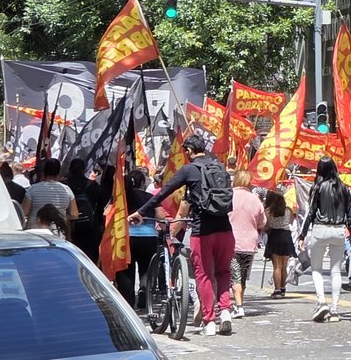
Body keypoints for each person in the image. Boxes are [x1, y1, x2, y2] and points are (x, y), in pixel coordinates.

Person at [129, 134, 236, 337]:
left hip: (202, 231)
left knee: (203, 275)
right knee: (223, 272)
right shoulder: (219, 166)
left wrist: (141, 212)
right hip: (226, 229)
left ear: (188, 151)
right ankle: (226, 313)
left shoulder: (189, 170)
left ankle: (210, 321)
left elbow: (163, 193)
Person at [298, 157, 351, 322]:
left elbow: (309, 212)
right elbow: (350, 213)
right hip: (339, 230)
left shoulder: (317, 187)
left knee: (316, 269)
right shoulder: (344, 188)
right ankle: (335, 309)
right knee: (336, 270)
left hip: (320, 228)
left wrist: (302, 235)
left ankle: (321, 301)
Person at [115, 169, 161, 308]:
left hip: (126, 238)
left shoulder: (122, 198)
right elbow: (161, 216)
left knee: (126, 270)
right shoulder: (150, 197)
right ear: (142, 183)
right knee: (146, 268)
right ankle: (144, 292)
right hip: (149, 237)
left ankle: (128, 302)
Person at [228, 169, 266, 319]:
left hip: (232, 241)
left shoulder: (228, 196)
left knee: (233, 276)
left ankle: (238, 306)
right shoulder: (255, 199)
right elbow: (263, 222)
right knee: (242, 276)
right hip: (250, 243)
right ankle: (239, 303)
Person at [66, 158, 106, 263]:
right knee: (89, 258)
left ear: (70, 169)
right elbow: (101, 206)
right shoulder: (93, 185)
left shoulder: (64, 186)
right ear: (84, 169)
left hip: (69, 227)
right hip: (90, 228)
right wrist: (101, 224)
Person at [22, 158, 79, 231]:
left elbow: (23, 212)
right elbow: (74, 215)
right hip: (58, 233)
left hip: (35, 232)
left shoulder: (32, 189)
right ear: (59, 172)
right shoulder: (67, 190)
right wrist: (60, 216)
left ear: (44, 172)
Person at [264, 189, 294, 299]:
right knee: (284, 266)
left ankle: (277, 290)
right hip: (286, 235)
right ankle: (282, 288)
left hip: (275, 235)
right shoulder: (288, 210)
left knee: (277, 265)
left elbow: (265, 226)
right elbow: (291, 222)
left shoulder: (268, 211)